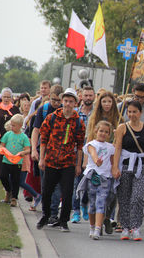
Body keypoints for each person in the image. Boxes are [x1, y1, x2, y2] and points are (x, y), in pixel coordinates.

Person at [36, 88, 85, 232]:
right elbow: (43, 139)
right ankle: (46, 215)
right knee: (46, 191)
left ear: (75, 103)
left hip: (68, 162)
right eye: (65, 101)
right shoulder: (52, 117)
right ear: (62, 101)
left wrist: (78, 165)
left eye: (71, 101)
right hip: (51, 160)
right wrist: (42, 158)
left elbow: (80, 146)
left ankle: (64, 220)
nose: (68, 104)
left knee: (68, 192)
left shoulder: (78, 122)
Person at [112, 100, 144, 241]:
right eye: (130, 112)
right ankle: (125, 227)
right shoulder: (122, 127)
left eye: (135, 112)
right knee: (124, 198)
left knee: (137, 197)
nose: (132, 114)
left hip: (142, 165)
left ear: (140, 113)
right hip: (125, 165)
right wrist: (115, 167)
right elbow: (118, 148)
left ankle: (136, 227)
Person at [30, 85, 64, 226]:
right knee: (46, 184)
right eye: (53, 100)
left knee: (57, 185)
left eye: (58, 100)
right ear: (49, 97)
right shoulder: (43, 110)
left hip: (61, 153)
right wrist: (34, 149)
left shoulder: (65, 111)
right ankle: (48, 212)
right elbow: (36, 130)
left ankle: (54, 214)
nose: (56, 103)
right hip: (45, 151)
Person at [81, 121, 115, 240]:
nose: (103, 134)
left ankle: (97, 229)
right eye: (101, 131)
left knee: (101, 202)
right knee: (92, 205)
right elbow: (93, 154)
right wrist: (97, 161)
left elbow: (112, 161)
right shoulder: (91, 144)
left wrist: (115, 171)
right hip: (93, 177)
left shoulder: (111, 147)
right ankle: (92, 226)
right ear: (96, 131)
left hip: (105, 178)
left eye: (106, 132)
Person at [71, 86, 95, 224]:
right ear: (81, 97)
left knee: (88, 183)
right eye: (85, 95)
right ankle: (76, 211)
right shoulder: (76, 113)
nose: (88, 98)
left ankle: (84, 205)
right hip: (77, 151)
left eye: (90, 95)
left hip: (91, 152)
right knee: (76, 183)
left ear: (94, 97)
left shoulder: (96, 114)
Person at [0, 114, 31, 207]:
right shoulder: (7, 134)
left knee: (15, 180)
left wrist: (23, 153)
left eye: (14, 125)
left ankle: (14, 198)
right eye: (11, 124)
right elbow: (2, 144)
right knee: (3, 176)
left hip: (17, 162)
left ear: (20, 126)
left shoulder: (23, 137)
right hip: (6, 160)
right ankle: (8, 191)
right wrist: (1, 149)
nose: (12, 127)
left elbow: (28, 149)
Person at [0, 87, 20, 178]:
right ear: (1, 97)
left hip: (12, 136)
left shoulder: (15, 109)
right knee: (0, 154)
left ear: (11, 98)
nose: (6, 99)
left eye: (8, 97)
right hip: (0, 135)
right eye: (4, 97)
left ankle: (10, 174)